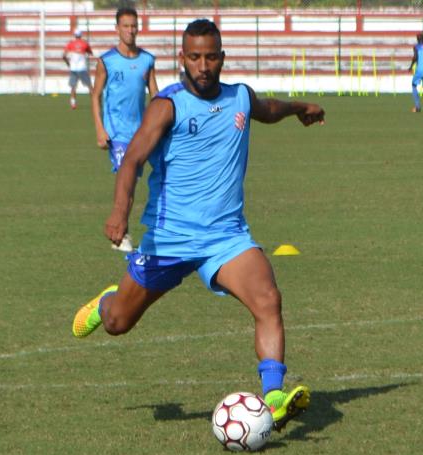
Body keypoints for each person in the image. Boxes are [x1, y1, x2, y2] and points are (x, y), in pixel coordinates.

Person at [72, 19, 325, 432]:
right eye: (194, 57)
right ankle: (106, 302)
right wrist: (119, 211)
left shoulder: (240, 97)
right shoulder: (167, 106)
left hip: (226, 238)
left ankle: (274, 396)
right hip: (169, 240)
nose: (203, 65)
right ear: (182, 59)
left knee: (268, 298)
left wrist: (301, 108)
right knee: (119, 323)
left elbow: (270, 109)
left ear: (222, 58)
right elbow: (133, 159)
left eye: (210, 56)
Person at [92, 7, 159, 252]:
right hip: (117, 134)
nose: (131, 30)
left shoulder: (147, 60)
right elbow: (96, 95)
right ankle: (121, 234)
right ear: (117, 28)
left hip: (142, 133)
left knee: (159, 175)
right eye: (126, 26)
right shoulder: (106, 61)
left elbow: (155, 95)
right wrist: (100, 129)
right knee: (127, 182)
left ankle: (158, 228)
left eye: (134, 26)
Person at [62, 29, 94, 110]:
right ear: (81, 35)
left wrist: (68, 64)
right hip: (82, 68)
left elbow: (64, 56)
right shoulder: (85, 43)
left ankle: (73, 103)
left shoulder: (70, 44)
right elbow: (91, 53)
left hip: (73, 68)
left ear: (75, 35)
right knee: (89, 86)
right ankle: (94, 103)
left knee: (73, 86)